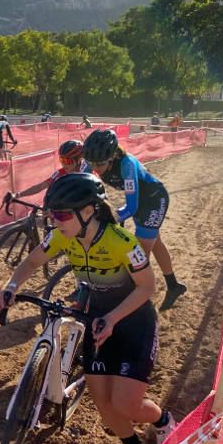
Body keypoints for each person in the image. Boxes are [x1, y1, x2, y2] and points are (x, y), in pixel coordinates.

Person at [0, 172, 175, 444]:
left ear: (89, 211)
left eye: (62, 215)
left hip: (134, 321)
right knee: (102, 401)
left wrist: (113, 318)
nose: (55, 221)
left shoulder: (121, 241)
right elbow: (31, 262)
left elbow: (148, 286)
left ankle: (163, 422)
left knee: (125, 404)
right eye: (52, 215)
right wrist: (12, 286)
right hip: (97, 319)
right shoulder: (62, 236)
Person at [82, 129, 187, 311]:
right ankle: (173, 286)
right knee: (155, 243)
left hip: (153, 200)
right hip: (140, 202)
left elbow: (131, 207)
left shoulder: (127, 164)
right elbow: (82, 183)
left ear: (112, 156)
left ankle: (136, 303)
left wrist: (110, 218)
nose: (95, 168)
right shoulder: (93, 161)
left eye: (100, 163)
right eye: (91, 163)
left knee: (139, 254)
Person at [9, 139, 89, 202]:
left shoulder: (87, 173)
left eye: (67, 161)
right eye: (62, 160)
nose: (63, 164)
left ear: (79, 160)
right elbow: (41, 186)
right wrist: (17, 195)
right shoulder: (60, 173)